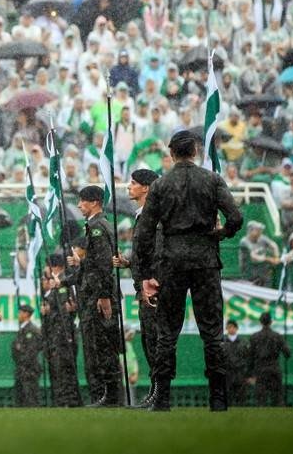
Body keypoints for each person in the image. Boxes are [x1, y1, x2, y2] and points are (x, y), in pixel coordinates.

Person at [133, 130, 243, 411]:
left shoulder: (160, 185)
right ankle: (218, 399)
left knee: (167, 332)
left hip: (172, 261)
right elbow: (236, 217)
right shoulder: (212, 179)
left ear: (171, 153)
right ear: (195, 151)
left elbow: (144, 232)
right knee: (212, 332)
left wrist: (145, 274)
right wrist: (220, 234)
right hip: (205, 259)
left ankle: (163, 399)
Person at [67, 185, 123, 407]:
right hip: (95, 294)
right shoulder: (95, 225)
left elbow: (103, 264)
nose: (79, 205)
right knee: (98, 348)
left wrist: (104, 296)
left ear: (94, 202)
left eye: (82, 201)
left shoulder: (98, 227)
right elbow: (96, 262)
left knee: (104, 348)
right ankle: (108, 396)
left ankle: (111, 397)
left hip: (99, 297)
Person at [120, 168, 159, 408]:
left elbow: (157, 250)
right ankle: (156, 392)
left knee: (156, 341)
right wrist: (128, 261)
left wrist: (153, 278)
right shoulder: (140, 215)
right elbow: (143, 253)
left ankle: (160, 394)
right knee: (148, 342)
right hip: (141, 287)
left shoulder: (154, 216)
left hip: (153, 288)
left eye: (133, 183)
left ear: (145, 187)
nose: (128, 187)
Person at [41, 253, 83, 407]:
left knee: (65, 370)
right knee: (58, 370)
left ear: (55, 267)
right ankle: (61, 400)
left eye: (47, 265)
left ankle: (69, 401)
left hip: (63, 336)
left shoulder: (65, 283)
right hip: (55, 335)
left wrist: (50, 312)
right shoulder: (54, 285)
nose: (45, 269)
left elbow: (67, 311)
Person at [248, 312, 291, 407]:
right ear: (271, 322)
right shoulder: (277, 336)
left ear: (260, 322)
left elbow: (250, 357)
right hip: (274, 368)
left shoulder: (254, 337)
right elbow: (287, 353)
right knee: (277, 397)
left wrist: (250, 374)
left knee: (261, 398)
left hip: (260, 369)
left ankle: (261, 419)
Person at [11, 304, 42, 407]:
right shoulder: (22, 329)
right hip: (21, 369)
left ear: (26, 314)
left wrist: (22, 360)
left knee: (30, 397)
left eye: (20, 313)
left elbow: (31, 351)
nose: (19, 315)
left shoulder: (32, 330)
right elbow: (16, 349)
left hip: (29, 370)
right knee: (21, 398)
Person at [223, 319, 249, 408]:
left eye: (233, 327)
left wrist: (248, 374)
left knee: (241, 399)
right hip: (227, 374)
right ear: (226, 328)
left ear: (237, 328)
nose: (231, 329)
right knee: (228, 398)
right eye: (229, 327)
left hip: (240, 374)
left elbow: (248, 358)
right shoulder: (222, 343)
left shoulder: (243, 342)